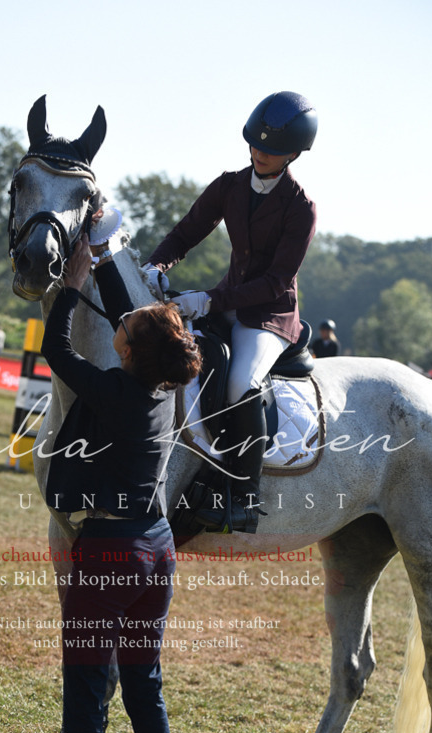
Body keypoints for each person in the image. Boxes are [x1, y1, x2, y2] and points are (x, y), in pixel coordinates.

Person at [19, 234, 201, 733]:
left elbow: (55, 348)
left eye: (126, 327)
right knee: (143, 679)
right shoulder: (161, 390)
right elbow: (146, 332)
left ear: (128, 351)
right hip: (158, 547)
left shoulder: (115, 390)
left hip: (110, 552)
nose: (118, 326)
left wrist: (71, 284)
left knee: (88, 679)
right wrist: (102, 250)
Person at [145, 91, 318, 533]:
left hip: (270, 315)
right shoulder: (230, 185)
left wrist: (208, 300)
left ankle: (244, 494)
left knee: (242, 382)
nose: (259, 153)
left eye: (271, 149)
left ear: (295, 153)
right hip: (227, 300)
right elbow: (186, 232)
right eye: (255, 144)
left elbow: (277, 281)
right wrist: (155, 265)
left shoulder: (301, 208)